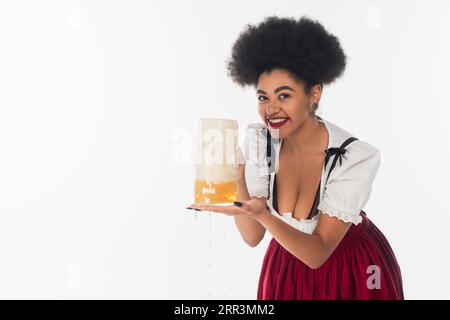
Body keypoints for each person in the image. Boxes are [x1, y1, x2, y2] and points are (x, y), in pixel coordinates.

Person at [187, 15, 404, 300]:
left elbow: (318, 254)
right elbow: (253, 237)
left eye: (284, 96)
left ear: (314, 94)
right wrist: (238, 177)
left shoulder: (353, 157)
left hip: (351, 272)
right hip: (286, 266)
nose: (271, 109)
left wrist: (263, 214)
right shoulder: (261, 143)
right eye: (263, 97)